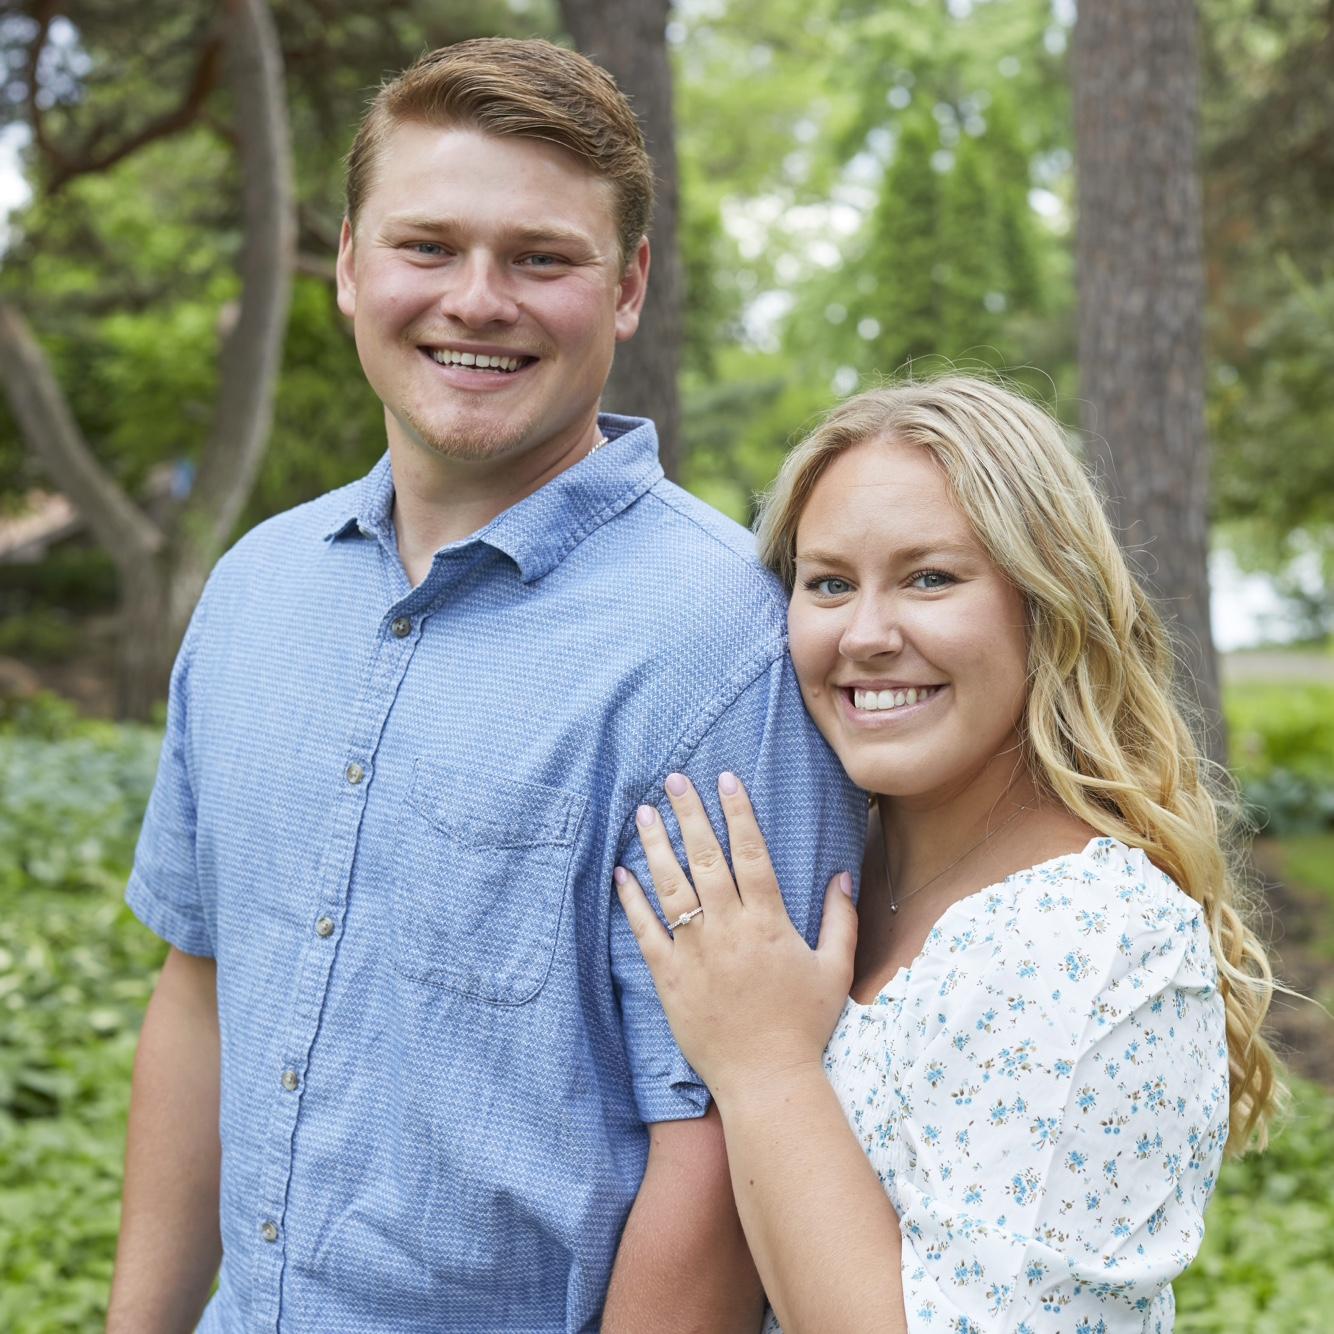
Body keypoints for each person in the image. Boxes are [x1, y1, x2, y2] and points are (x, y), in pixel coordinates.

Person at [107, 38, 865, 1333]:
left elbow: (718, 1140)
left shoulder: (721, 642)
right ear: (348, 264)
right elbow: (201, 989)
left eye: (540, 258)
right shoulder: (251, 592)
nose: (476, 299)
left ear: (625, 288)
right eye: (426, 246)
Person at [615, 374, 1283, 1332]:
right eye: (829, 583)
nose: (868, 635)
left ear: (1046, 603)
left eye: (931, 577)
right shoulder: (819, 864)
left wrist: (764, 1063)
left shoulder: (1095, 943)